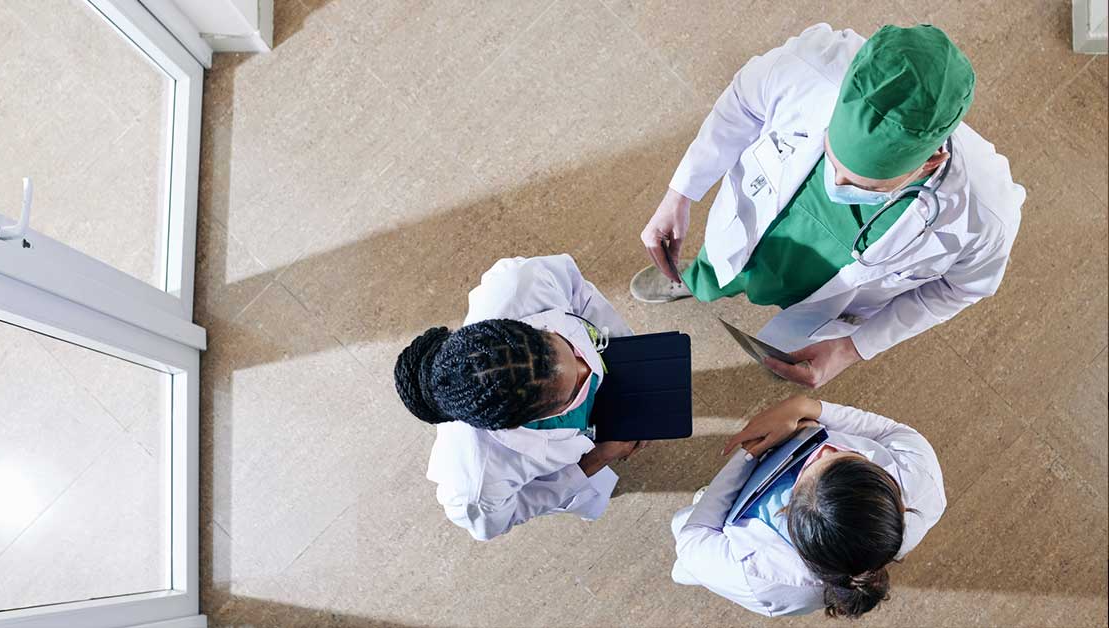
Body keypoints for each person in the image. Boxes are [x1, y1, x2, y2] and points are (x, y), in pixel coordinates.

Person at [633, 23, 1025, 388]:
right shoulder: (809, 66)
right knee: (721, 265)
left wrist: (851, 349)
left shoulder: (987, 216)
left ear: (930, 163)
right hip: (761, 223)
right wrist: (679, 194)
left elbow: (959, 290)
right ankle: (696, 280)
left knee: (802, 318)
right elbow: (742, 104)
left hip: (833, 285)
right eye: (830, 158)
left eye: (859, 183)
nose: (835, 183)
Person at [394, 254, 646, 541]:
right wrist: (597, 459)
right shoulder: (475, 485)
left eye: (570, 347)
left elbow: (580, 293)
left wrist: (631, 361)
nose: (590, 368)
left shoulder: (520, 283)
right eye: (574, 390)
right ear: (522, 421)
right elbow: (500, 518)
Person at [669, 395, 945, 617]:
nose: (825, 447)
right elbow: (889, 431)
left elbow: (692, 539)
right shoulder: (921, 475)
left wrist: (749, 455)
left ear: (791, 514)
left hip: (711, 539)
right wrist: (804, 406)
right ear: (885, 483)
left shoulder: (761, 580)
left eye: (809, 468)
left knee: (684, 542)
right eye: (848, 458)